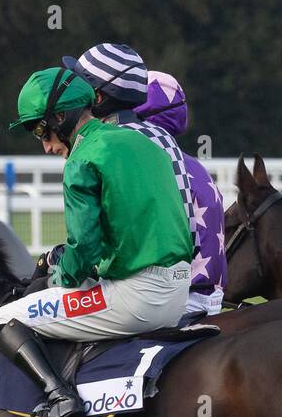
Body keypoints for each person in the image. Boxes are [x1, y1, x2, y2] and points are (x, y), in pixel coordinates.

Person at [0, 66, 194, 417]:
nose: (46, 146)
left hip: (136, 298)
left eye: (40, 131)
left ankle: (59, 397)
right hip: (178, 292)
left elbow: (83, 250)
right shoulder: (145, 142)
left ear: (61, 118)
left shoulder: (83, 159)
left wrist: (58, 276)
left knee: (4, 318)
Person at [63, 43, 226, 315]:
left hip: (166, 297)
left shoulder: (123, 149)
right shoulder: (189, 162)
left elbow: (108, 245)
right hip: (207, 295)